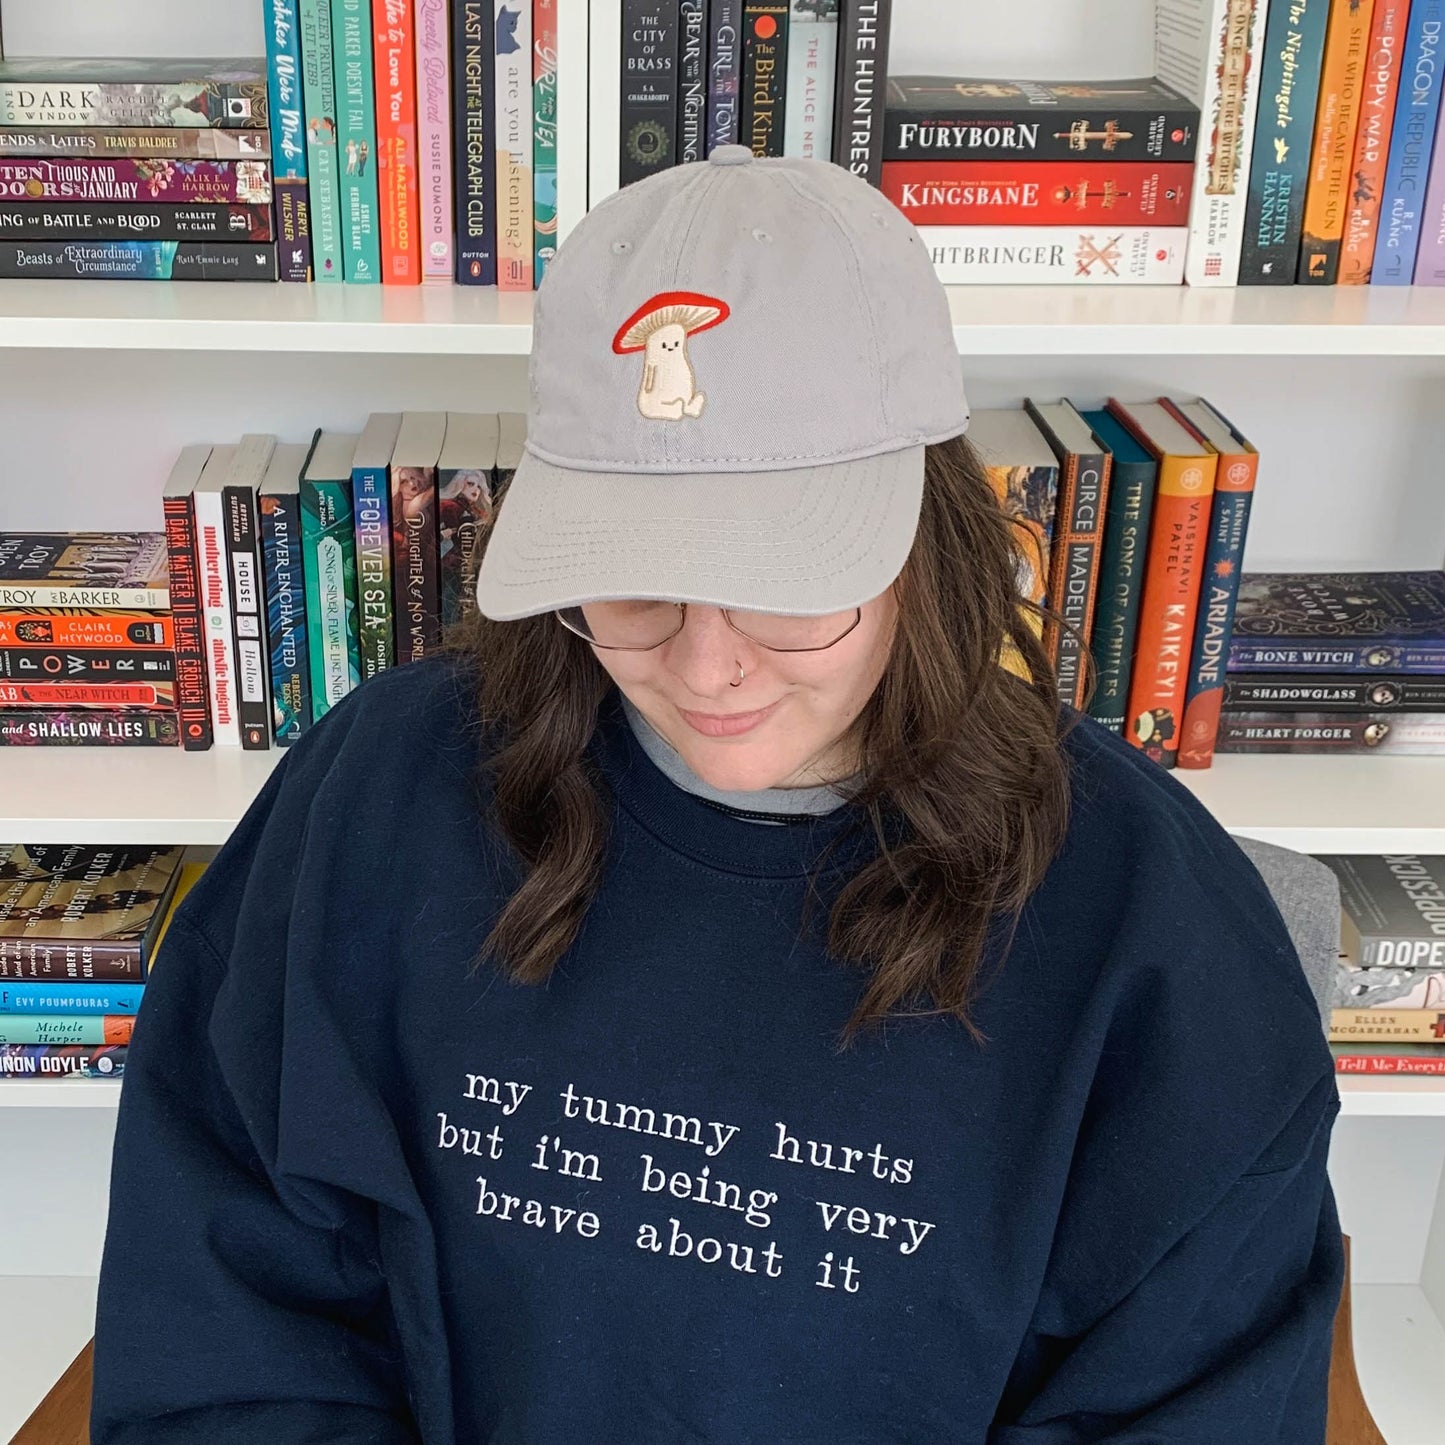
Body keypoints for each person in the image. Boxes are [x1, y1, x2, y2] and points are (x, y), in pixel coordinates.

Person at [90, 147, 1344, 1444]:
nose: (702, 664)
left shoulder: (1160, 945)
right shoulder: (372, 799)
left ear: (928, 535)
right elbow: (227, 1326)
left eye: (785, 582)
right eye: (631, 580)